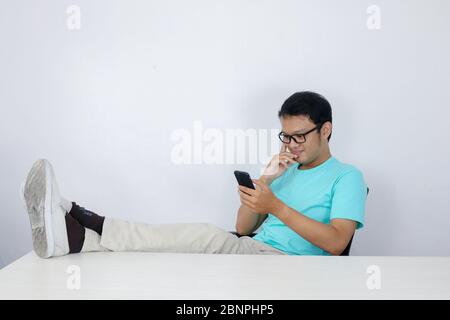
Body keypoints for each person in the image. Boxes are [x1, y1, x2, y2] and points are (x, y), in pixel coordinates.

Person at [22, 91, 367, 258]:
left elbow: (337, 243)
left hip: (288, 266)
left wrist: (275, 206)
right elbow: (246, 228)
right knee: (178, 246)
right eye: (285, 136)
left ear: (326, 130)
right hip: (252, 250)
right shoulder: (286, 171)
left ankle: (87, 222)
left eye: (300, 136)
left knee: (200, 235)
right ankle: (81, 236)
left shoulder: (347, 176)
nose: (291, 144)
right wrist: (266, 182)